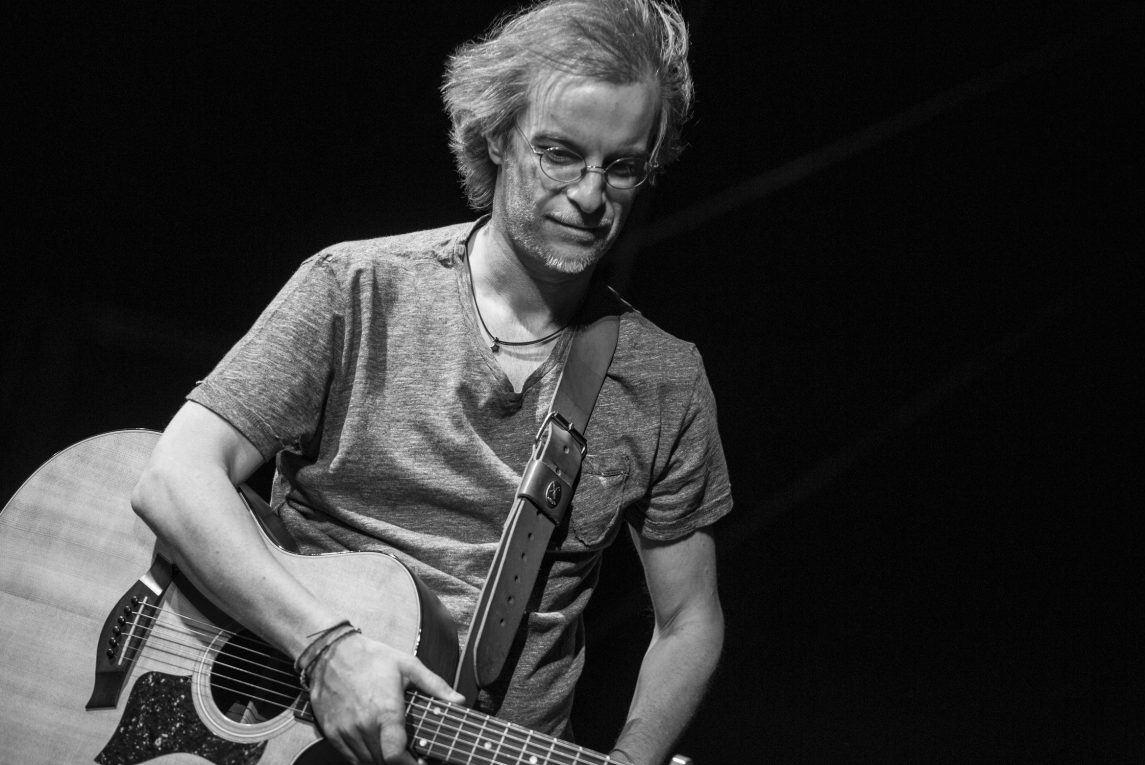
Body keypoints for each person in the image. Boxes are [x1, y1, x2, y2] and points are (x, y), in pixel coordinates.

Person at [131, 1, 732, 763]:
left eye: (621, 167)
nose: (590, 196)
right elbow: (174, 476)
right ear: (496, 136)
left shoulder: (666, 380)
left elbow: (689, 621)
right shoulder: (355, 288)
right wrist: (324, 647)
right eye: (559, 154)